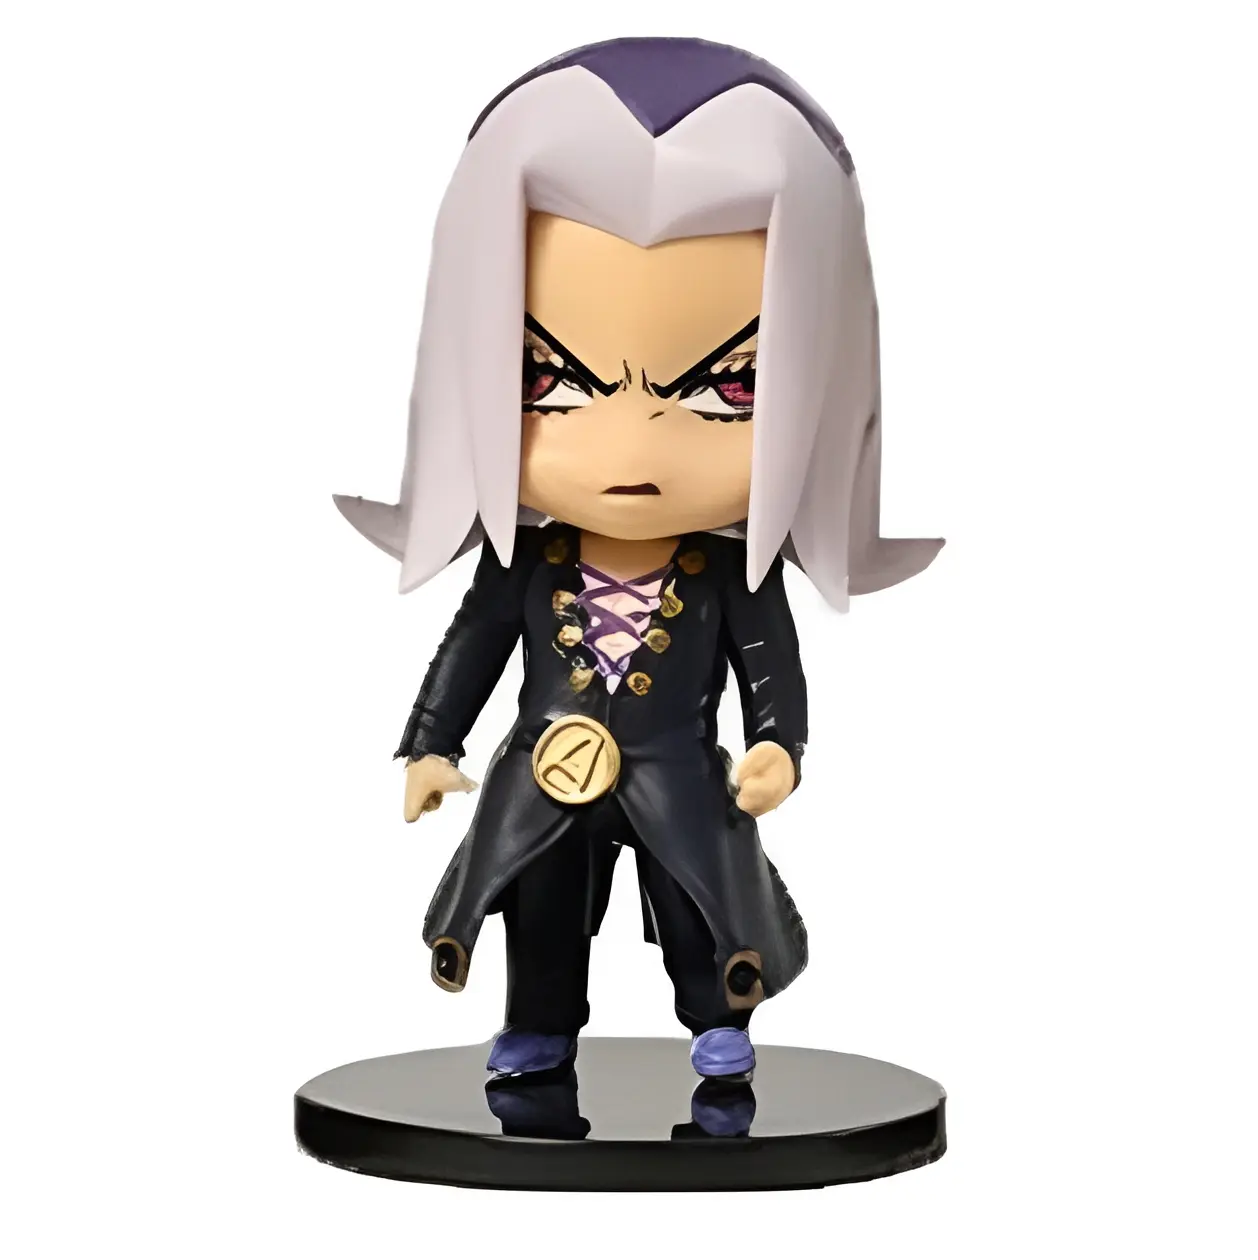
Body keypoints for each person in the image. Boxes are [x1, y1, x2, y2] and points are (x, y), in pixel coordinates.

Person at [335, 37, 942, 1080]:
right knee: (539, 906)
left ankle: (716, 1017)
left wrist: (778, 746)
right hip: (543, 769)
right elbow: (474, 644)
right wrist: (430, 744)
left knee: (702, 905)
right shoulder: (528, 561)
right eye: (549, 381)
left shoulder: (731, 571)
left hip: (679, 776)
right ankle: (538, 1025)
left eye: (729, 390)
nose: (633, 448)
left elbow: (770, 663)